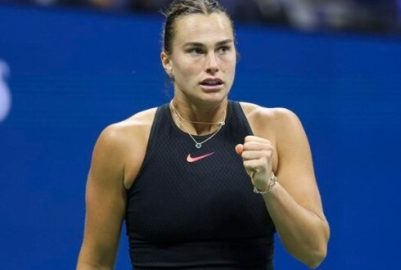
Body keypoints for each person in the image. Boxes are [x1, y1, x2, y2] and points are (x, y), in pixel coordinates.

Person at [76, 0, 330, 269]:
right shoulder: (122, 142)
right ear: (167, 61)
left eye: (223, 49)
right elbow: (95, 262)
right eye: (196, 51)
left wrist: (269, 185)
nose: (213, 64)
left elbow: (314, 251)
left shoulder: (278, 127)